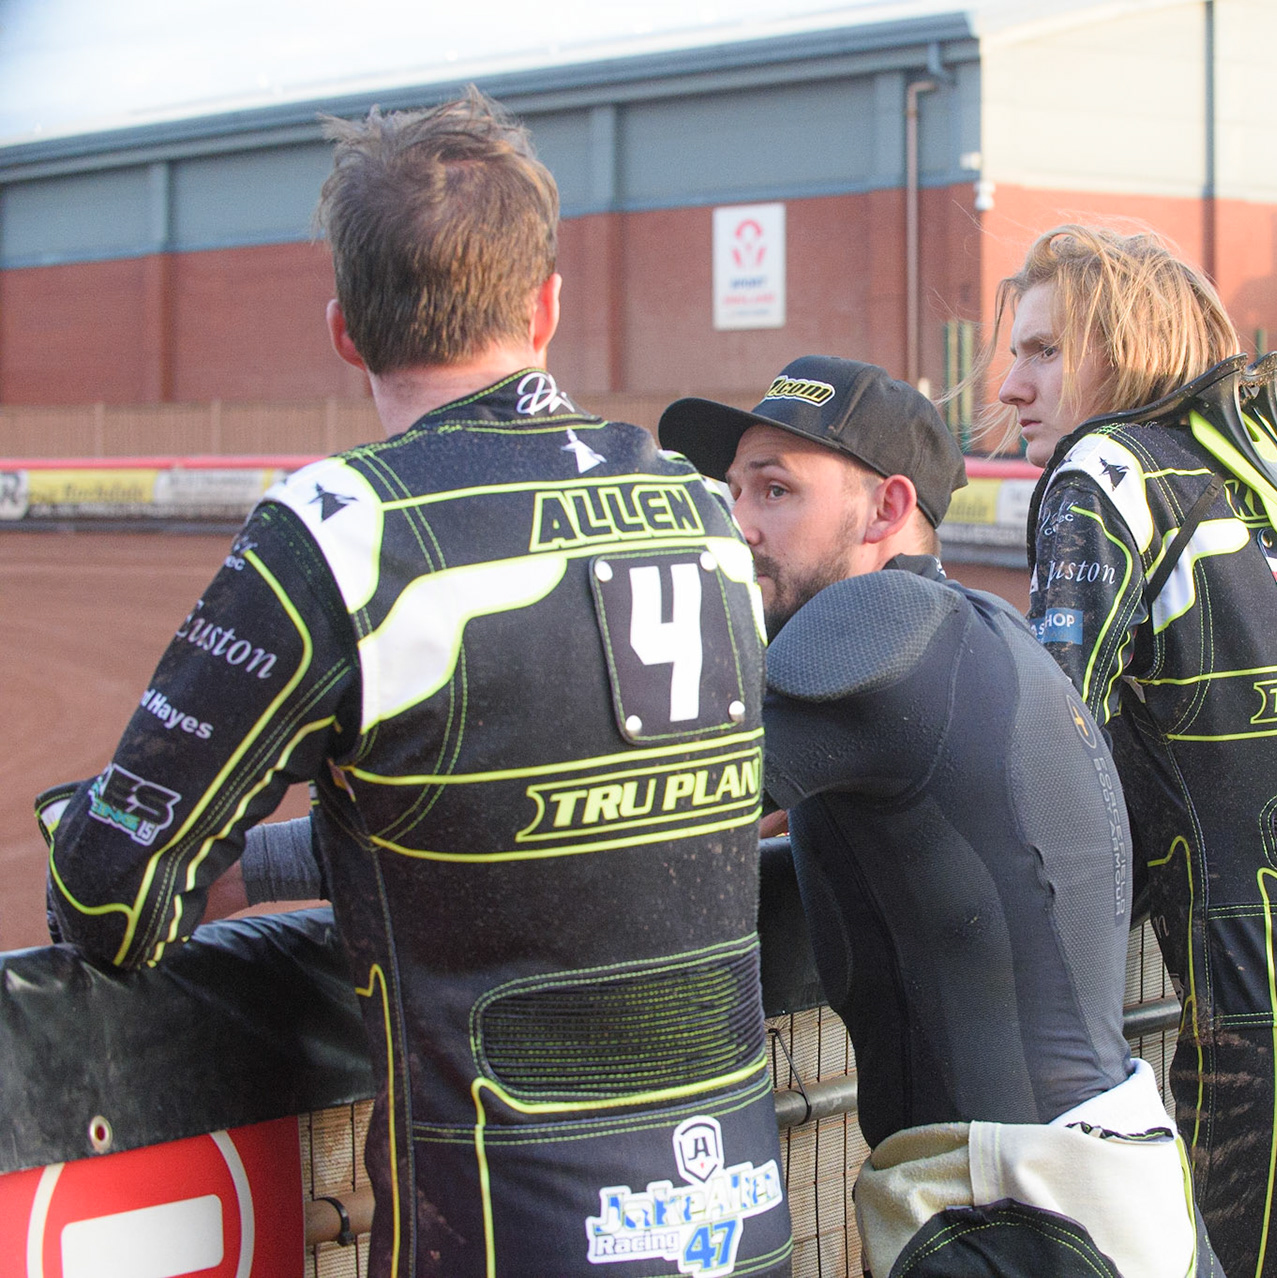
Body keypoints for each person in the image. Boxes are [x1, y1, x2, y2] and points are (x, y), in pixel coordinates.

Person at [34, 89, 793, 1278]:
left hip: (501, 1229)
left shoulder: (342, 530)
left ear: (346, 330)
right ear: (546, 307)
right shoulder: (703, 513)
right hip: (742, 1217)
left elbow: (113, 904)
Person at [659, 356, 1211, 1278]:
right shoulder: (945, 628)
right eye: (733, 493)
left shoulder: (876, 618)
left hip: (1020, 1212)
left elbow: (645, 812)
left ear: (885, 512)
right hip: (1078, 1189)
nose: (740, 526)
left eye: (777, 491)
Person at [998, 224, 1277, 1278]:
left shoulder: (1103, 468)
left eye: (1040, 351)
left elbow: (1047, 734)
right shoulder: (1271, 468)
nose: (1013, 385)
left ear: (1119, 348)